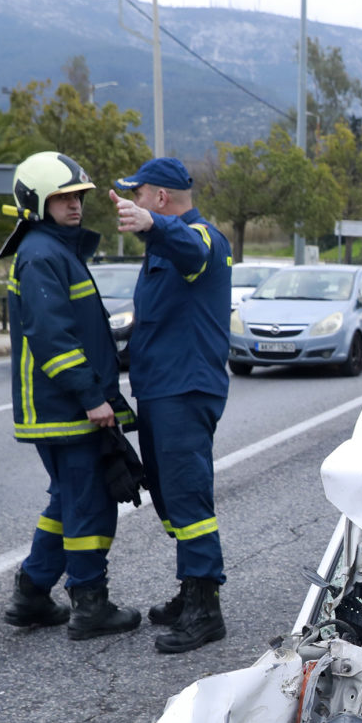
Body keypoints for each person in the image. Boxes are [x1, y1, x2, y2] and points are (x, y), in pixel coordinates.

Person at [0, 151, 142, 638]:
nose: (75, 205)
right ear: (37, 203)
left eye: (78, 196)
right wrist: (91, 397)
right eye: (63, 198)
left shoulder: (52, 249)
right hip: (66, 408)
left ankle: (32, 593)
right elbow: (52, 338)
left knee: (68, 501)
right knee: (89, 504)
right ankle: (89, 604)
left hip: (65, 406)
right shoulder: (42, 254)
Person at [110, 158, 235, 653]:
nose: (132, 202)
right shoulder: (164, 245)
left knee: (188, 496)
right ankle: (191, 589)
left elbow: (190, 248)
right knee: (169, 494)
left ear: (160, 198)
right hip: (161, 388)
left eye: (137, 194)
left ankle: (206, 607)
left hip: (184, 390)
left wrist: (152, 225)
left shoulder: (200, 238)